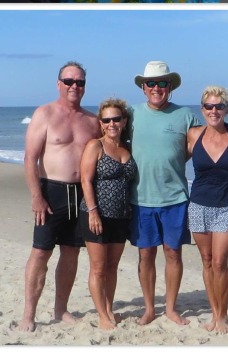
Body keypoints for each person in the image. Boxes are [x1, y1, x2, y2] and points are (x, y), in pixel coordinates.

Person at [18, 62, 101, 332]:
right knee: (40, 253)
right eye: (69, 81)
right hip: (51, 192)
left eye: (79, 82)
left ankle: (60, 308)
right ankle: (28, 315)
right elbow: (31, 158)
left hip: (81, 193)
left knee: (71, 253)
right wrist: (36, 196)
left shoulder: (92, 121)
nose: (74, 86)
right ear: (58, 84)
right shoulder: (45, 114)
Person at [128, 61, 200, 326]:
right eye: (151, 83)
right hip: (140, 198)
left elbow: (200, 146)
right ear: (143, 88)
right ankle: (149, 308)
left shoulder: (186, 115)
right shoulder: (130, 114)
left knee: (173, 253)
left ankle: (170, 307)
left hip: (175, 198)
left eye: (162, 83)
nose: (156, 88)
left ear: (170, 87)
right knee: (145, 254)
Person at [186, 86, 228, 334]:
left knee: (220, 262)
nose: (214, 110)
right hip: (198, 205)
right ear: (202, 109)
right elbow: (170, 159)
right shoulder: (193, 135)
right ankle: (214, 311)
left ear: (226, 109)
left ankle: (223, 313)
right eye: (209, 106)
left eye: (219, 106)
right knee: (207, 261)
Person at [79, 98, 138, 330]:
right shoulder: (96, 145)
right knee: (98, 267)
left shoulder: (128, 147)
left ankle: (110, 309)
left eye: (116, 119)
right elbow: (85, 180)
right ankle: (102, 315)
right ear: (101, 123)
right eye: (107, 120)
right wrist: (93, 212)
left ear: (124, 121)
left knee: (112, 267)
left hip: (122, 216)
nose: (112, 123)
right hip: (97, 215)